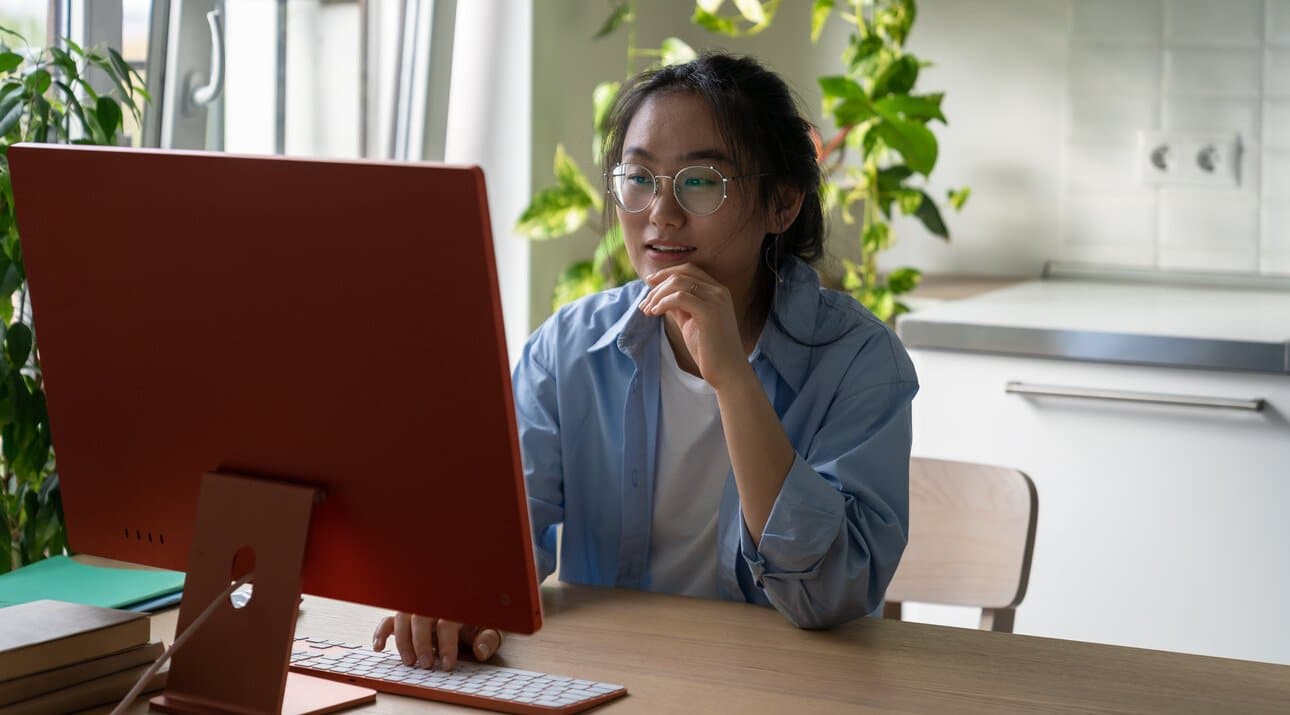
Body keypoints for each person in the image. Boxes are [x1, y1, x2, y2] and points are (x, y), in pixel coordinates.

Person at [374, 52, 918, 671]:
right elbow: (497, 543)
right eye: (639, 178)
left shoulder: (860, 363)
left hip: (786, 687)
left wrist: (735, 382)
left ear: (782, 204)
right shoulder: (569, 349)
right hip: (603, 674)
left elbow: (827, 596)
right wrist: (455, 594)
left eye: (702, 181)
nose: (661, 214)